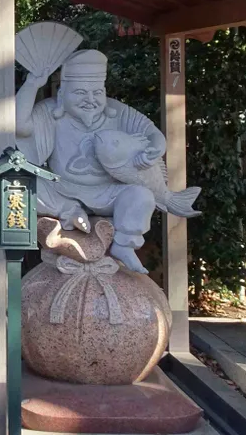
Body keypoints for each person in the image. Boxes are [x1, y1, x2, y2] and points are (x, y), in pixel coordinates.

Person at [15, 49, 164, 273]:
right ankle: (70, 211)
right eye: (80, 93)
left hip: (109, 192)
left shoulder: (118, 112)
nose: (90, 100)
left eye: (97, 93)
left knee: (141, 196)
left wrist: (155, 149)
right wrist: (31, 85)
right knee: (19, 186)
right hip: (61, 190)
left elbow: (152, 133)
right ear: (62, 94)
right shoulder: (50, 111)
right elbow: (19, 126)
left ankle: (125, 244)